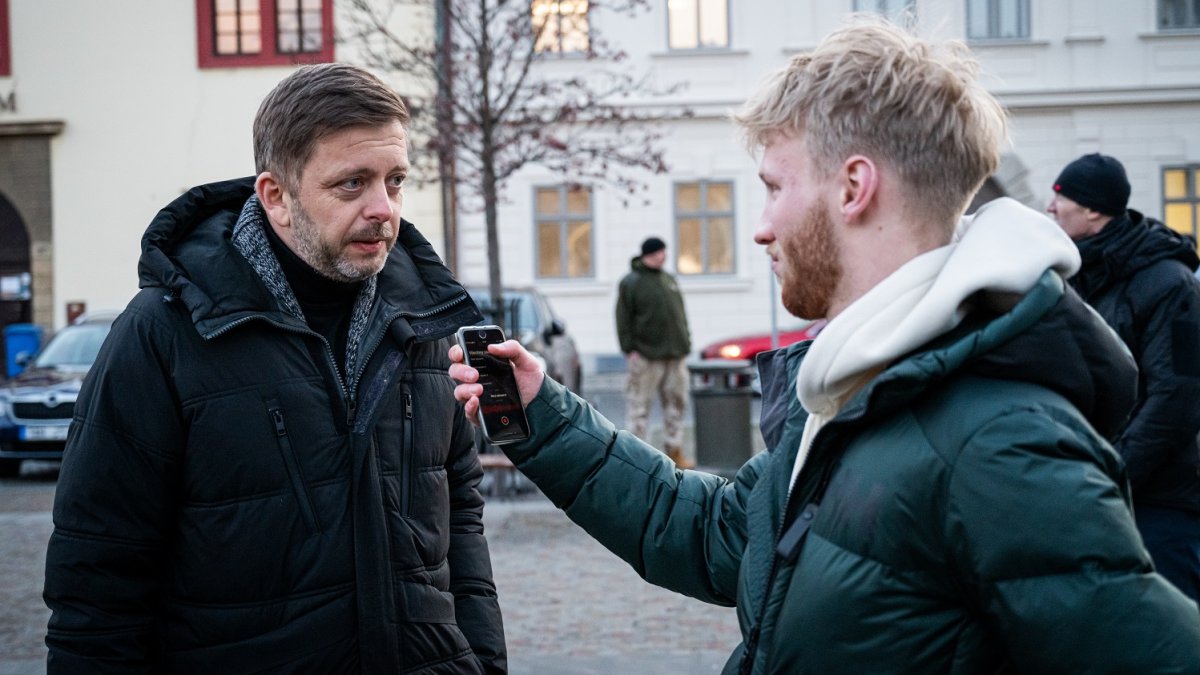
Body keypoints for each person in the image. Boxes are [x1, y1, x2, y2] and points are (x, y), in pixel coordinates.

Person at [450, 18, 1200, 673]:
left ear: (853, 187)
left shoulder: (1003, 444)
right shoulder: (858, 388)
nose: (761, 225)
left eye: (775, 186)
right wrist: (543, 415)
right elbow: (710, 530)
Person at [43, 63, 506, 673]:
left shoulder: (422, 322)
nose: (383, 209)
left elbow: (459, 519)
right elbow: (99, 582)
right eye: (352, 184)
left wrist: (482, 662)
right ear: (277, 197)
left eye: (396, 181)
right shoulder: (163, 335)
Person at [1048, 152, 1200, 601]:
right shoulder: (1074, 278)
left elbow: (1180, 396)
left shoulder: (1172, 282)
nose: (1050, 207)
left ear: (1093, 210)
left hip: (1161, 506)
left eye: (1061, 197)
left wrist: (1114, 472)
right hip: (1098, 494)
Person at [615, 236, 693, 467]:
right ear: (650, 254)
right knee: (639, 406)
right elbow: (623, 317)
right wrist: (629, 348)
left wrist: (685, 339)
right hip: (646, 356)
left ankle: (674, 451)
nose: (665, 255)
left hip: (675, 353)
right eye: (661, 252)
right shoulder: (631, 282)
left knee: (676, 404)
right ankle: (639, 457)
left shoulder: (668, 279)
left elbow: (680, 313)